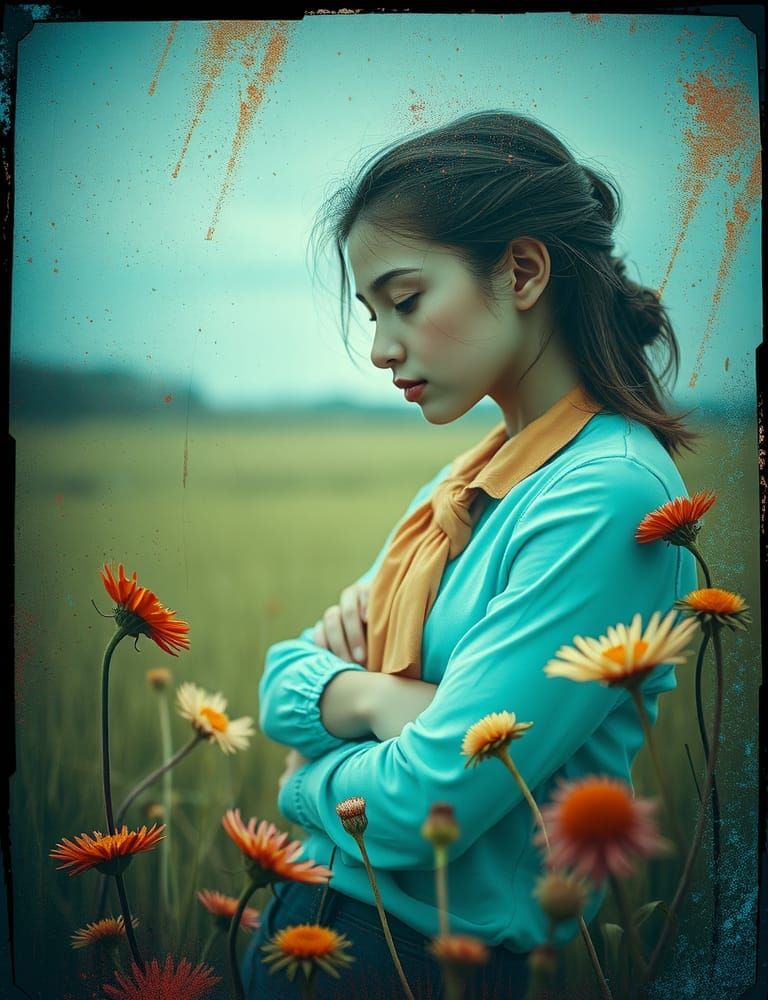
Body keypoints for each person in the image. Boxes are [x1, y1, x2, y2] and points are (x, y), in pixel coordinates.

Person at [242, 109, 702, 999]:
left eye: (404, 300)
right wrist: (378, 699)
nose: (380, 348)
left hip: (417, 963)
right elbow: (279, 679)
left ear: (524, 271)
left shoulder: (605, 496)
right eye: (371, 312)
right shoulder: (463, 487)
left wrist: (304, 784)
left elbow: (427, 806)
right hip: (317, 923)